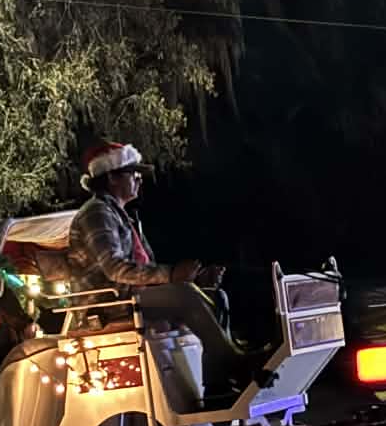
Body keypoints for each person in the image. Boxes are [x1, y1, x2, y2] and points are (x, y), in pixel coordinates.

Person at [66, 140, 269, 402]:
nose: (139, 179)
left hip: (132, 298)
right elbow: (115, 269)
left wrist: (195, 278)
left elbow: (146, 269)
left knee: (216, 296)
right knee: (184, 295)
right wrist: (173, 276)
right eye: (133, 173)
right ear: (113, 177)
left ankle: (217, 380)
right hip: (108, 305)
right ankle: (234, 364)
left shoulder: (123, 217)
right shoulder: (96, 214)